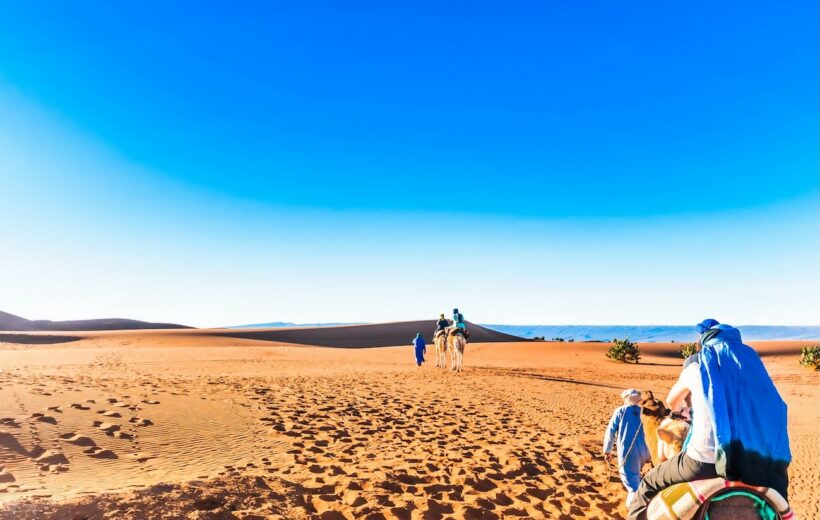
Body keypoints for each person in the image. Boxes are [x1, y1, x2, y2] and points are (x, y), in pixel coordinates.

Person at [627, 319, 791, 519]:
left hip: (703, 461)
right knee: (780, 505)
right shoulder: (754, 367)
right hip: (760, 463)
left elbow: (671, 402)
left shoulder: (697, 366)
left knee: (649, 483)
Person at [603, 389, 652, 508]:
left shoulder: (621, 410)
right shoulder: (643, 411)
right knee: (636, 477)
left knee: (631, 483)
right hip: (645, 450)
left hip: (629, 451)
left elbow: (610, 431)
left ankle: (635, 510)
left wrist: (607, 450)